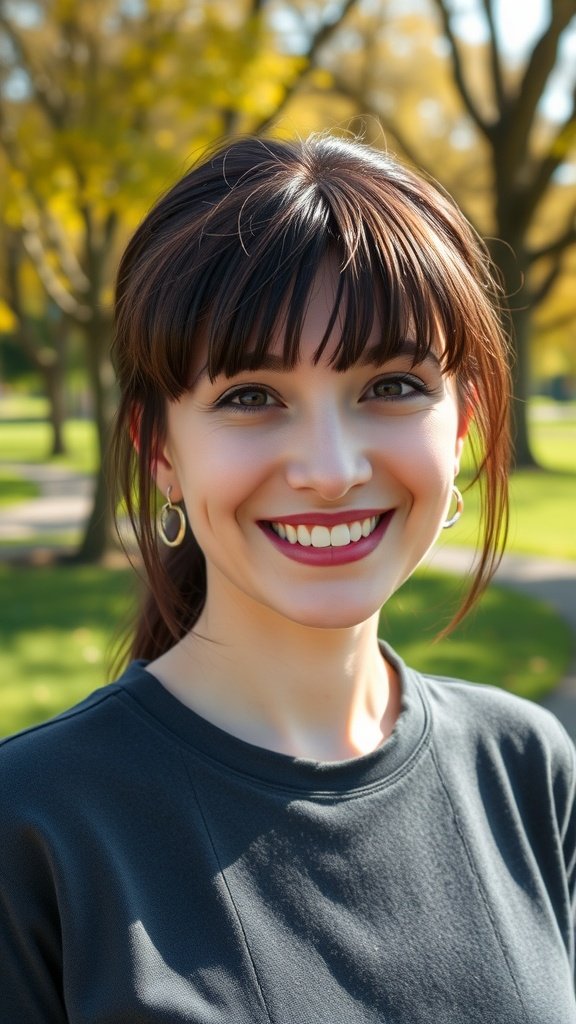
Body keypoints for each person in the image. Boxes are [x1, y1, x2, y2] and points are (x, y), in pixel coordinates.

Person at [1, 134, 574, 1023]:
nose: (331, 470)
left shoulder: (527, 766)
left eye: (392, 385)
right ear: (161, 452)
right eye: (251, 397)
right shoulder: (35, 826)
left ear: (463, 422)